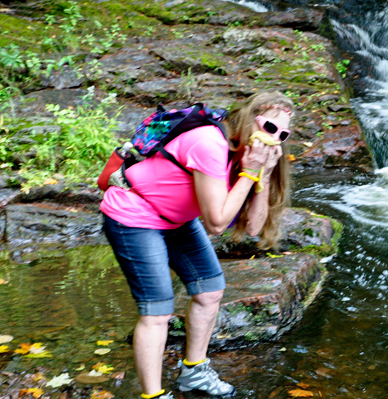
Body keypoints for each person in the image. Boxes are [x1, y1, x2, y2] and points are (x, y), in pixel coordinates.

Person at [101, 91, 294, 399]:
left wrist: (264, 174)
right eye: (270, 127)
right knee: (157, 311)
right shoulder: (210, 143)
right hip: (135, 215)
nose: (275, 138)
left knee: (210, 289)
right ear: (249, 119)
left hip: (176, 220)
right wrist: (249, 172)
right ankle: (154, 395)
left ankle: (194, 372)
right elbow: (217, 224)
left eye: (282, 134)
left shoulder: (246, 156)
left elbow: (255, 229)